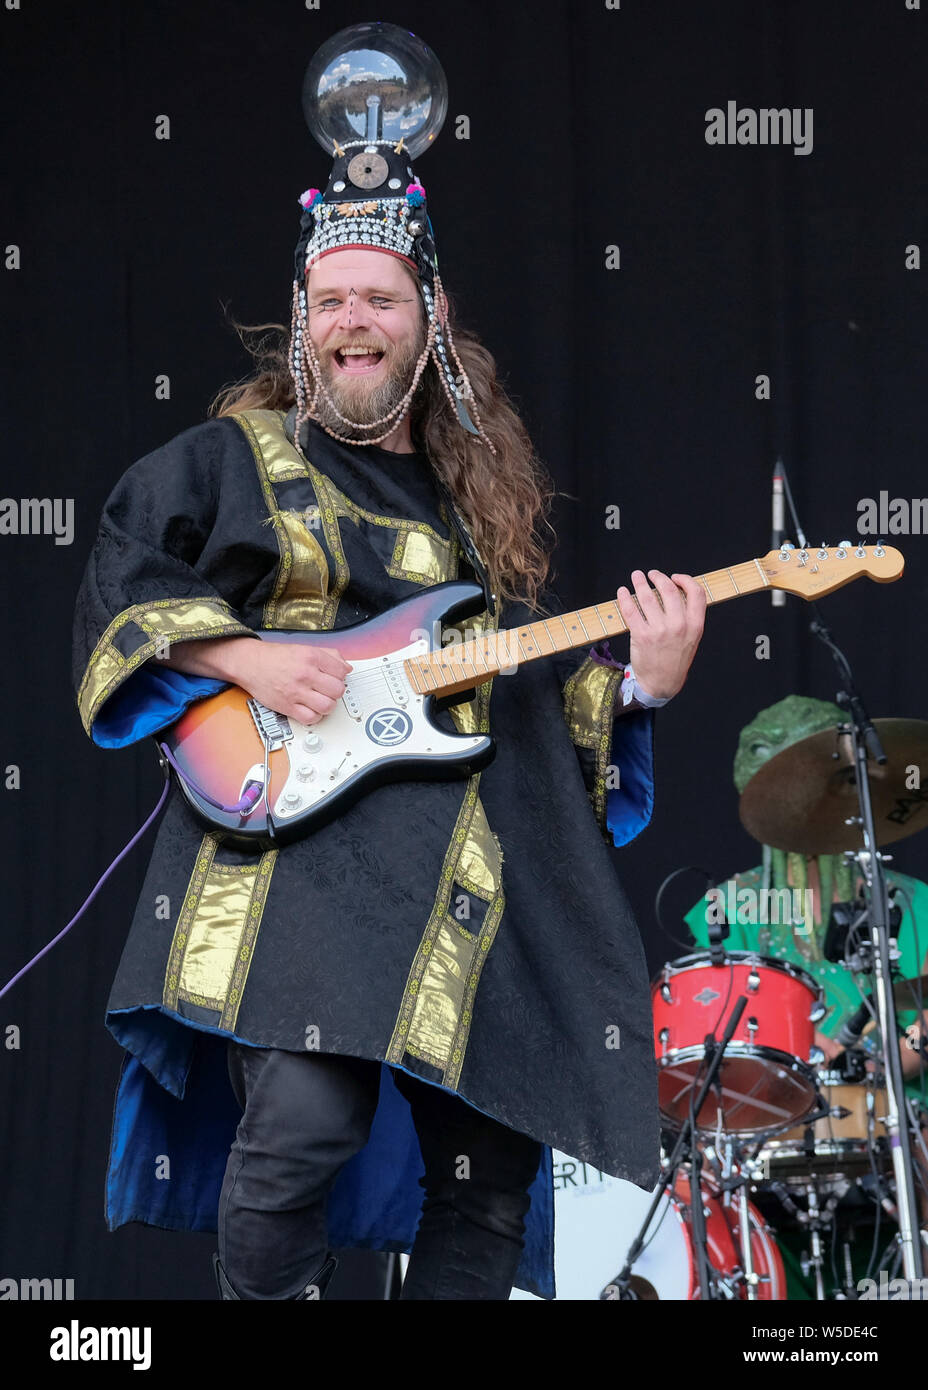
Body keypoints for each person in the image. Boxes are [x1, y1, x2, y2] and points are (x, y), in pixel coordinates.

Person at [71, 47, 706, 1301]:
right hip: (300, 865)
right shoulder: (234, 458)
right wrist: (247, 652)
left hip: (469, 881)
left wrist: (638, 687)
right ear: (303, 320)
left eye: (378, 299)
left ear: (428, 322)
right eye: (331, 300)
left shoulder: (483, 526)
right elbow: (121, 575)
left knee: (488, 1181)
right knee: (296, 1130)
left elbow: (522, 710)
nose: (352, 323)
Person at [685, 694, 928, 1297]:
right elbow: (707, 1053)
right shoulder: (722, 910)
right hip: (763, 1152)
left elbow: (920, 1034)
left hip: (903, 1143)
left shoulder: (915, 904)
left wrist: (897, 1051)